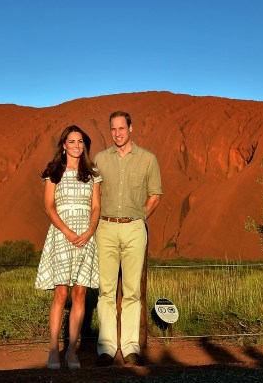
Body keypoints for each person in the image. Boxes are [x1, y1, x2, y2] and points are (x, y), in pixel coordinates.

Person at [92, 111, 162, 367]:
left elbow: (155, 194)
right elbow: (94, 195)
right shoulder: (100, 159)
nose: (118, 133)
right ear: (109, 130)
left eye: (122, 128)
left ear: (131, 128)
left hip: (134, 227)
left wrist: (139, 218)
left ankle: (131, 348)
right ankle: (107, 349)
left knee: (132, 291)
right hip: (106, 228)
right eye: (113, 129)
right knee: (106, 291)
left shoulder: (147, 159)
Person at [34, 125, 101, 370]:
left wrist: (89, 231)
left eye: (80, 141)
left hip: (85, 236)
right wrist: (67, 231)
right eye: (71, 141)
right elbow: (49, 206)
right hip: (62, 234)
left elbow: (96, 207)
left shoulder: (92, 173)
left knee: (80, 294)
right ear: (63, 145)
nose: (76, 145)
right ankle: (54, 349)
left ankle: (72, 351)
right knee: (61, 294)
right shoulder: (54, 172)